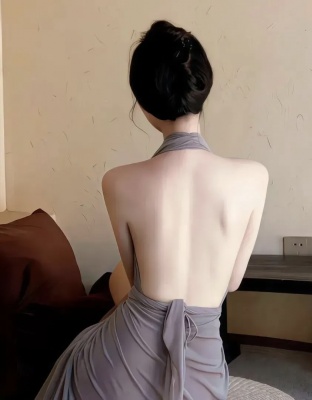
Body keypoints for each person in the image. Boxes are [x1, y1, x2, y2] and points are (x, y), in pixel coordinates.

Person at [36, 20, 268, 400]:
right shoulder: (255, 177)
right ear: (202, 89)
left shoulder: (117, 181)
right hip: (203, 363)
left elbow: (134, 278)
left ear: (143, 104)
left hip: (123, 362)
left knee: (89, 335)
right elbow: (231, 283)